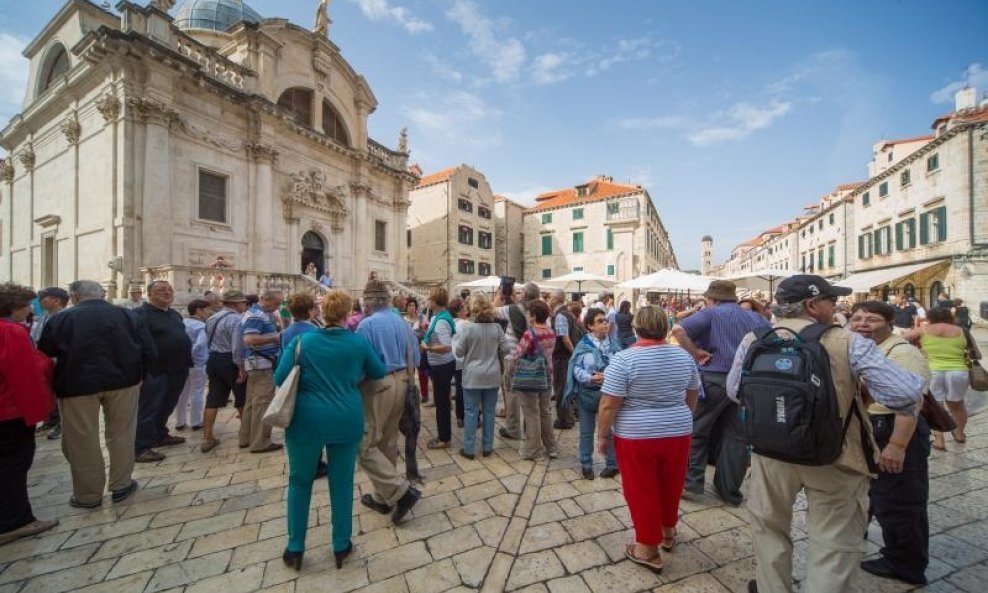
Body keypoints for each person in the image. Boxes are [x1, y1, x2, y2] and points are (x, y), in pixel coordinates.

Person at [726, 275, 924, 593]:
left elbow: (735, 391)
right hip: (834, 452)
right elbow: (906, 394)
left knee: (768, 529)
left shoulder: (757, 338)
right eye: (831, 300)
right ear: (812, 305)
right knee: (834, 542)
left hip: (770, 451)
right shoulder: (846, 341)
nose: (835, 306)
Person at [275, 289, 386, 571]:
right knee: (342, 482)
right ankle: (340, 544)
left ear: (321, 313)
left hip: (305, 419)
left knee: (300, 481)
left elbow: (279, 377)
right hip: (345, 417)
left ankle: (295, 547)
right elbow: (378, 371)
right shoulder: (357, 342)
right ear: (348, 314)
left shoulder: (302, 341)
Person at [596, 305, 699, 573]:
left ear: (636, 327)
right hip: (677, 430)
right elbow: (692, 394)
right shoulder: (684, 358)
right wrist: (681, 418)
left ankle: (647, 548)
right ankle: (667, 531)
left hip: (636, 434)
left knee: (641, 489)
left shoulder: (623, 360)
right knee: (671, 483)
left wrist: (602, 435)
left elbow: (609, 404)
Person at [38, 280, 155, 508]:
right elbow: (148, 349)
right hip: (123, 382)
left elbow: (46, 351)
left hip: (76, 385)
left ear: (73, 296)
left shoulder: (61, 318)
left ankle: (88, 495)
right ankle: (121, 484)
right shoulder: (128, 316)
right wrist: (141, 375)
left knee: (81, 439)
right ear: (102, 294)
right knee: (122, 434)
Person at [849, 301, 932, 585]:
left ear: (889, 322)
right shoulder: (867, 349)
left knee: (899, 500)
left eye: (871, 319)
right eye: (857, 318)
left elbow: (913, 402)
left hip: (894, 430)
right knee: (877, 493)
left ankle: (906, 564)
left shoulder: (903, 353)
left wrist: (897, 445)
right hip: (873, 428)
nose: (862, 324)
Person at [671, 279, 770, 506]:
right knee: (737, 436)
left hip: (715, 378)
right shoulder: (756, 317)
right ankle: (729, 489)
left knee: (697, 430)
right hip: (746, 383)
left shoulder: (711, 313)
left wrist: (696, 352)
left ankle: (692, 483)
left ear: (711, 299)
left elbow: (678, 329)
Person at [355, 276, 421, 525]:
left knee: (364, 445)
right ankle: (383, 496)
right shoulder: (402, 322)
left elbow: (362, 363)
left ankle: (399, 492)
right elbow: (415, 355)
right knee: (388, 440)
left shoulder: (366, 326)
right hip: (404, 381)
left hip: (379, 384)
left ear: (370, 301)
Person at [0, 282, 58, 545]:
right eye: (26, 305)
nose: (28, 310)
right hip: (10, 410)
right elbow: (27, 373)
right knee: (14, 464)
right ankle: (15, 520)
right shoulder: (11, 332)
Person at [133, 280, 192, 463]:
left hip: (178, 368)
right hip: (155, 371)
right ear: (149, 293)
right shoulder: (139, 315)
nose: (167, 293)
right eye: (161, 290)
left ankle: (160, 434)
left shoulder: (174, 314)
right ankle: (140, 447)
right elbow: (136, 344)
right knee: (149, 408)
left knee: (167, 404)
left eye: (169, 290)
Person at [902, 307, 973, 450]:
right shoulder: (961, 330)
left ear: (930, 317)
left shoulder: (924, 330)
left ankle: (939, 440)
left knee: (935, 406)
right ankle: (959, 434)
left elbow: (901, 339)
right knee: (957, 405)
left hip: (932, 370)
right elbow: (975, 353)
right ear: (949, 317)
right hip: (958, 371)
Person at [564, 307, 621, 480]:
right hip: (587, 394)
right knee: (586, 431)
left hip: (608, 394)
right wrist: (589, 378)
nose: (605, 323)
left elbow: (620, 365)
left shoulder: (614, 345)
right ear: (590, 326)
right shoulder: (583, 346)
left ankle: (612, 464)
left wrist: (607, 375)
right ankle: (586, 464)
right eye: (600, 321)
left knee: (608, 430)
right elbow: (576, 368)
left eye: (606, 320)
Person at [454, 293, 510, 459]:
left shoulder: (468, 329)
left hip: (472, 376)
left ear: (474, 309)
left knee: (471, 412)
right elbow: (506, 349)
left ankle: (469, 449)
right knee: (489, 411)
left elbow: (459, 351)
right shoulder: (497, 328)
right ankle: (487, 447)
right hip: (492, 375)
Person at [200, 289, 250, 453]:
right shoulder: (236, 320)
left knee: (213, 398)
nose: (245, 305)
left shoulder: (212, 317)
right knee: (242, 397)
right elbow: (237, 347)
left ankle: (207, 437)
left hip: (213, 358)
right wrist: (241, 367)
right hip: (229, 360)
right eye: (243, 302)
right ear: (235, 303)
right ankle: (245, 436)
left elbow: (208, 339)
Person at [493, 282, 541, 440]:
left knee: (512, 393)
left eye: (521, 292)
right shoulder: (542, 310)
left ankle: (513, 428)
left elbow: (492, 311)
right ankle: (531, 430)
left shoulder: (513, 309)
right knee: (531, 396)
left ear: (525, 294)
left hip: (513, 356)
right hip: (534, 358)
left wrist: (500, 294)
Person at [513, 299, 559, 460]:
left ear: (533, 316)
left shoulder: (529, 333)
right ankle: (551, 448)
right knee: (546, 411)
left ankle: (533, 451)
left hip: (531, 376)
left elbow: (518, 354)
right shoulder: (551, 331)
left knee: (531, 413)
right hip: (547, 374)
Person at [240, 290, 284, 453]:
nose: (277, 307)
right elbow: (249, 339)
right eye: (276, 304)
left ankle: (246, 437)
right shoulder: (257, 315)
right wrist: (275, 337)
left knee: (252, 403)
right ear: (266, 300)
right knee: (262, 403)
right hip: (261, 363)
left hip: (255, 363)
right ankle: (260, 442)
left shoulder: (253, 313)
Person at [31, 286, 69, 440]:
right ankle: (51, 419)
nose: (40, 302)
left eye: (43, 298)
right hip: (44, 360)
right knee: (49, 391)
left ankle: (62, 423)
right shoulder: (45, 316)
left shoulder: (65, 317)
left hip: (59, 361)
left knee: (60, 393)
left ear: (56, 300)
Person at [421, 287, 456, 449]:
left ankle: (444, 439)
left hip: (442, 365)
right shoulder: (439, 316)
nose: (428, 301)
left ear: (434, 301)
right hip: (442, 364)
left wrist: (428, 349)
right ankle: (444, 435)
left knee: (441, 403)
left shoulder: (441, 321)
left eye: (429, 298)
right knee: (442, 401)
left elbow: (447, 347)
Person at [173, 299, 210, 431]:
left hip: (183, 363)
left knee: (182, 392)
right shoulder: (201, 327)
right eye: (206, 310)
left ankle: (180, 421)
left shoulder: (182, 323)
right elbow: (200, 345)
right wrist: (193, 355)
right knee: (197, 392)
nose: (208, 313)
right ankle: (196, 421)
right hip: (197, 363)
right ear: (199, 311)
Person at [550, 289, 582, 429]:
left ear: (556, 299)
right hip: (567, 356)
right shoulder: (569, 313)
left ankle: (564, 420)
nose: (549, 300)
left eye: (551, 297)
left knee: (561, 388)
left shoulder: (560, 316)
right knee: (566, 387)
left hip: (562, 357)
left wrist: (574, 353)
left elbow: (565, 338)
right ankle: (568, 417)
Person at [402, 297, 430, 403]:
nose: (411, 308)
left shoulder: (422, 318)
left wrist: (423, 330)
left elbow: (427, 333)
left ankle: (425, 394)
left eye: (413, 305)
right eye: (409, 305)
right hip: (408, 350)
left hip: (421, 349)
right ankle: (410, 394)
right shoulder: (403, 320)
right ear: (406, 307)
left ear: (416, 307)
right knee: (409, 373)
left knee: (423, 373)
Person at [449, 297, 468, 429]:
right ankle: (464, 416)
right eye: (464, 307)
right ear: (458, 311)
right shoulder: (465, 324)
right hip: (463, 359)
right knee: (463, 388)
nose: (466, 309)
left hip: (452, 358)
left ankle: (459, 416)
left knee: (459, 388)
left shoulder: (450, 323)